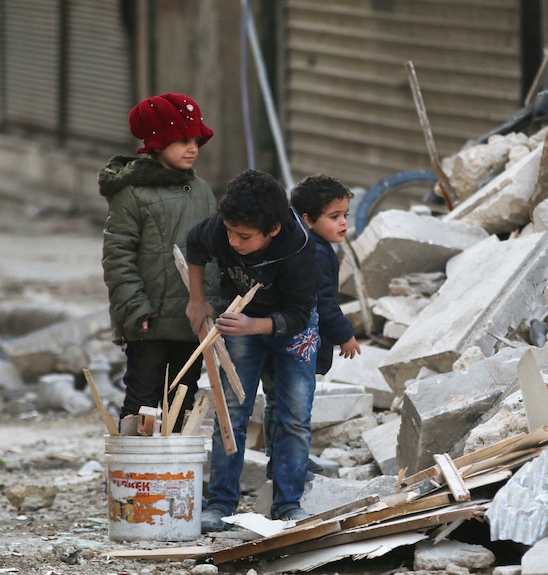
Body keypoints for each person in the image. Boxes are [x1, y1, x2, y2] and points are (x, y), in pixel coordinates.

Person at [185, 169, 319, 531]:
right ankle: (222, 503)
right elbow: (194, 245)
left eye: (243, 237)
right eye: (229, 231)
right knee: (231, 411)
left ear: (272, 230)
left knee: (293, 415)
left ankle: (288, 504)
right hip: (241, 319)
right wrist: (197, 300)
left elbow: (298, 314)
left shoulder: (301, 248)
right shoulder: (223, 230)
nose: (232, 242)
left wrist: (254, 326)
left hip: (292, 327)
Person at [99, 93, 220, 432]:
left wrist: (217, 304)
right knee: (142, 404)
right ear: (157, 142)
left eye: (196, 140)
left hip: (192, 320)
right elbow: (117, 257)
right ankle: (134, 479)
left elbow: (213, 254)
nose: (192, 148)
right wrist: (136, 309)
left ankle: (171, 479)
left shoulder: (201, 191)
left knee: (182, 402)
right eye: (182, 140)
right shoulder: (132, 193)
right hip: (148, 323)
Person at [261, 174, 362, 479]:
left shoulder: (309, 247)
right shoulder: (316, 254)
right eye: (334, 217)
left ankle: (286, 458)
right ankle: (292, 462)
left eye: (345, 215)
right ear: (307, 220)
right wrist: (344, 334)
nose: (343, 223)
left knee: (280, 403)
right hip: (298, 344)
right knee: (294, 407)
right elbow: (322, 302)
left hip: (282, 340)